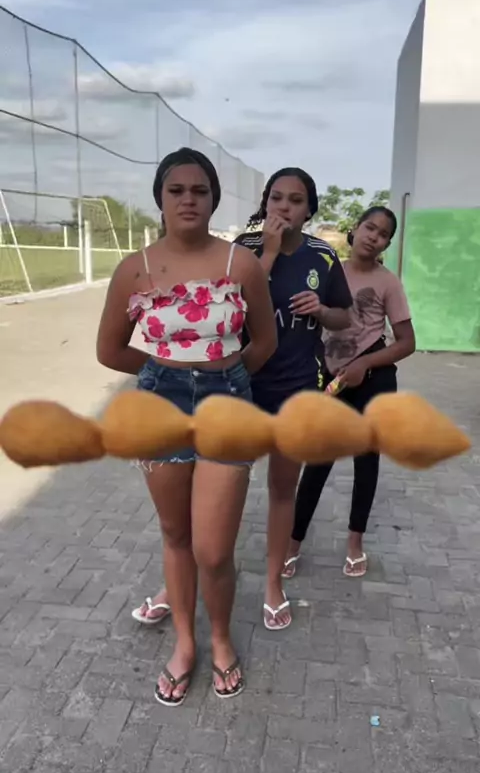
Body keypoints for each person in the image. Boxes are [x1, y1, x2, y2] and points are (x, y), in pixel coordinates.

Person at [96, 147, 276, 706]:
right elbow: (109, 350)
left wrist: (225, 377)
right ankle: (185, 644)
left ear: (214, 199)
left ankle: (221, 639)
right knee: (176, 535)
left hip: (227, 404)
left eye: (200, 190)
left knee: (214, 550)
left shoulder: (240, 265)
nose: (189, 200)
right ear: (161, 198)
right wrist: (164, 373)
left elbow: (265, 342)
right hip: (161, 406)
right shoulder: (135, 269)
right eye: (177, 190)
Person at [234, 168, 353, 629]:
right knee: (224, 487)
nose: (284, 207)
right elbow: (234, 308)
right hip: (242, 386)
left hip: (297, 388)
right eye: (276, 198)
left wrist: (321, 309)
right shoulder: (243, 249)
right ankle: (197, 573)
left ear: (309, 210)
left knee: (283, 489)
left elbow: (343, 317)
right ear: (265, 203)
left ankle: (272, 583)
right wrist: (266, 252)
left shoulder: (322, 256)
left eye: (296, 200)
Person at [285, 206, 416, 580]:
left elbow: (407, 342)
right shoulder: (329, 272)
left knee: (366, 461)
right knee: (318, 461)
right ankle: (292, 544)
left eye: (383, 234)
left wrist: (366, 364)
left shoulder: (388, 283)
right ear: (355, 229)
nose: (374, 236)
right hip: (331, 376)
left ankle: (355, 543)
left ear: (386, 244)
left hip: (374, 378)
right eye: (369, 227)